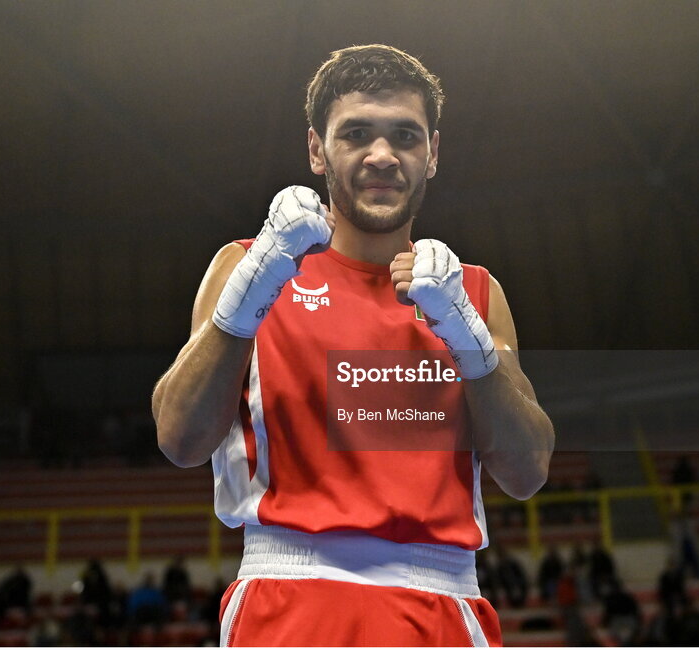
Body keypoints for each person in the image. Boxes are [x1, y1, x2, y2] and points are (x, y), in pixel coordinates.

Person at [152, 44, 554, 647]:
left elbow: (527, 471)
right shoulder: (244, 266)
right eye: (357, 133)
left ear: (432, 154)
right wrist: (250, 293)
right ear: (317, 149)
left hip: (440, 606)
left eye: (405, 136)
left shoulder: (474, 293)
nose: (382, 155)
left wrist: (466, 336)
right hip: (287, 599)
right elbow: (180, 439)